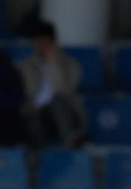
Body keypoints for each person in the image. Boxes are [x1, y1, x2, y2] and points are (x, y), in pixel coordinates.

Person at [17, 19, 87, 149]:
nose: (42, 46)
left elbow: (64, 91)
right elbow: (29, 92)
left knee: (56, 100)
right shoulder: (26, 66)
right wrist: (37, 107)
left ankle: (70, 141)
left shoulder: (71, 65)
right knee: (32, 121)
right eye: (39, 42)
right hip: (39, 114)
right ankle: (40, 159)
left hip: (66, 114)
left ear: (53, 42)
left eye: (45, 42)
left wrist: (53, 63)